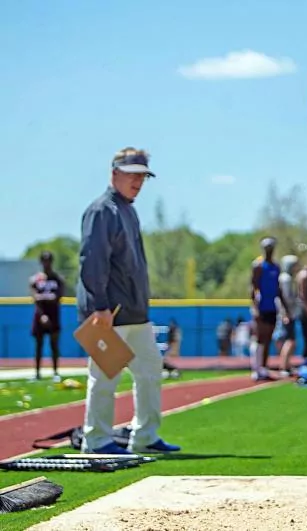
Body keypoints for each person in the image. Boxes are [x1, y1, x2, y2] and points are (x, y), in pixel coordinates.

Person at [77, 147, 180, 455]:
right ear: (114, 174)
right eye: (132, 175)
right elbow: (92, 260)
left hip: (134, 311)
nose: (138, 182)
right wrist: (100, 306)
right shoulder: (102, 211)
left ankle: (145, 436)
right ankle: (96, 440)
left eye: (142, 176)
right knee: (104, 376)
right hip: (108, 312)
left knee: (150, 370)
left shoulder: (127, 210)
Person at [251, 237, 291, 380]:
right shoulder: (258, 266)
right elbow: (253, 287)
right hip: (261, 307)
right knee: (260, 337)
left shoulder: (276, 267)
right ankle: (256, 368)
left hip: (272, 307)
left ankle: (263, 366)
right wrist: (255, 308)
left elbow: (278, 290)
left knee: (268, 338)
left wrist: (285, 308)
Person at [29, 250, 65, 382]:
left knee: (54, 344)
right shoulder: (35, 279)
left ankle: (55, 372)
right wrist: (42, 314)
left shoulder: (58, 279)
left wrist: (43, 297)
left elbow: (58, 296)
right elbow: (35, 298)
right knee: (38, 345)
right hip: (39, 315)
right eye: (44, 260)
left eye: (48, 260)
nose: (46, 263)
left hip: (54, 314)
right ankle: (37, 373)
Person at [278, 254, 300, 376]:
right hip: (287, 314)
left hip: (288, 312)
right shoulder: (286, 279)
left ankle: (286, 365)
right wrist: (287, 313)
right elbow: (286, 297)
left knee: (290, 340)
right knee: (289, 340)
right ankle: (284, 366)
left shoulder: (287, 278)